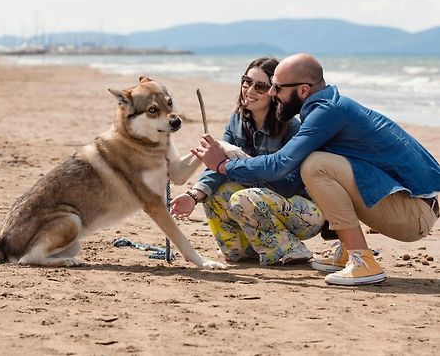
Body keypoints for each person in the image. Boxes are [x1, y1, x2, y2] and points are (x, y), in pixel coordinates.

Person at [192, 53, 440, 286]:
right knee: (322, 161)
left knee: (315, 165)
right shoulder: (327, 108)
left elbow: (280, 164)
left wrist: (224, 165)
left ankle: (363, 261)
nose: (272, 93)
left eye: (277, 87)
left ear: (303, 90)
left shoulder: (326, 112)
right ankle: (347, 251)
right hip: (409, 205)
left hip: (412, 213)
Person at [171, 57, 324, 265]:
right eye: (247, 82)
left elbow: (289, 185)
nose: (250, 91)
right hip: (260, 201)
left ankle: (290, 248)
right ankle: (246, 249)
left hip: (305, 212)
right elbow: (217, 167)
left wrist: (238, 159)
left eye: (260, 87)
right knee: (215, 193)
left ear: (273, 92)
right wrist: (193, 196)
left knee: (243, 197)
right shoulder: (237, 122)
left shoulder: (292, 128)